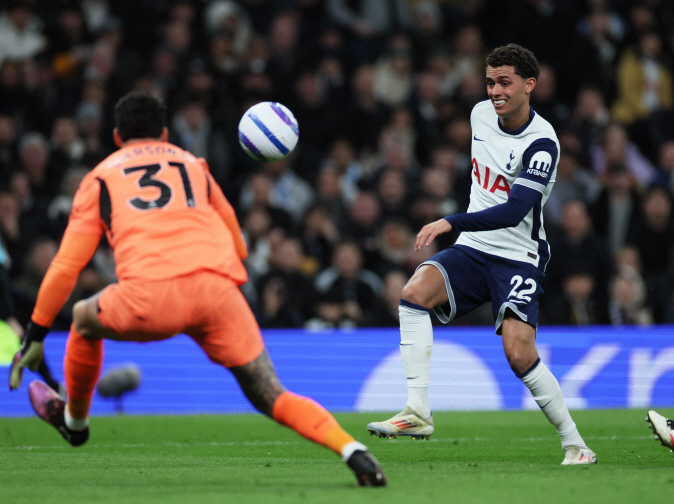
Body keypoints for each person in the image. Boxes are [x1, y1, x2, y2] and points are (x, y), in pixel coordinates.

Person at [9, 91, 385, 487]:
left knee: (85, 318)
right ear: (166, 133)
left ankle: (75, 422)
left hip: (150, 298)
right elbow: (238, 244)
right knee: (271, 394)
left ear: (118, 137)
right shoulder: (193, 165)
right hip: (217, 294)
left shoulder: (100, 176)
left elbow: (67, 265)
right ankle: (353, 450)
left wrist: (37, 333)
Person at [366, 44, 597, 465]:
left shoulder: (542, 143)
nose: (495, 91)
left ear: (530, 85)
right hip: (475, 248)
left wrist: (450, 221)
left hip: (518, 256)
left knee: (518, 353)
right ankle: (417, 411)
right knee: (414, 292)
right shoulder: (478, 115)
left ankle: (576, 444)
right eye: (490, 82)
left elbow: (513, 211)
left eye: (504, 82)